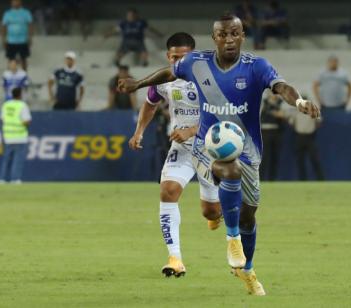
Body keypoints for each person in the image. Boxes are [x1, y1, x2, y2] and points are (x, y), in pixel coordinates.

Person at [118, 14, 320, 296]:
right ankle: (231, 237)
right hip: (205, 145)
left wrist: (298, 101)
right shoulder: (196, 63)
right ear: (214, 38)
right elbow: (169, 72)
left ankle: (247, 269)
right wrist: (138, 83)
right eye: (223, 34)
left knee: (249, 214)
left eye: (234, 34)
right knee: (228, 169)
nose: (228, 39)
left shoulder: (256, 66)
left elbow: (281, 87)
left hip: (248, 148)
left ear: (242, 36)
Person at [128, 32, 221, 278]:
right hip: (181, 148)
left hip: (210, 149)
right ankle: (175, 258)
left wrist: (191, 130)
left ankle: (216, 214)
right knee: (168, 190)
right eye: (174, 57)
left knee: (210, 212)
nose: (178, 63)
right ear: (168, 57)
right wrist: (139, 132)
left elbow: (221, 115)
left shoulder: (209, 79)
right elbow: (150, 103)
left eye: (184, 58)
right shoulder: (164, 80)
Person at [0, 87, 31, 184]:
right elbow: (26, 121)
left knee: (6, 159)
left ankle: (2, 179)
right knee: (18, 159)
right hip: (20, 136)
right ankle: (15, 179)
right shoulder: (22, 105)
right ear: (20, 94)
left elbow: (2, 119)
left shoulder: (6, 105)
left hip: (8, 136)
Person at [288, 98, 324, 181]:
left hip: (310, 137)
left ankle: (321, 180)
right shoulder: (295, 112)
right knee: (300, 160)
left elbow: (319, 122)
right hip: (299, 137)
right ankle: (302, 180)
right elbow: (291, 123)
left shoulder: (313, 110)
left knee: (315, 159)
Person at [259, 90, 284, 180]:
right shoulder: (263, 102)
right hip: (265, 131)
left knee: (275, 156)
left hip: (276, 131)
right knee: (264, 157)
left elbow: (282, 115)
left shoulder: (281, 103)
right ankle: (261, 178)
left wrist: (277, 113)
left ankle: (272, 179)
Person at [1, 0, 33, 71]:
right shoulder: (7, 13)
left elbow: (30, 26)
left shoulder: (26, 13)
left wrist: (30, 38)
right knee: (10, 59)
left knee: (24, 59)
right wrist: (3, 39)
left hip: (23, 40)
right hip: (11, 40)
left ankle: (24, 76)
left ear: (20, 2)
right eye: (13, 1)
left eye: (16, 1)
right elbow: (4, 27)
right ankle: (9, 76)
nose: (14, 3)